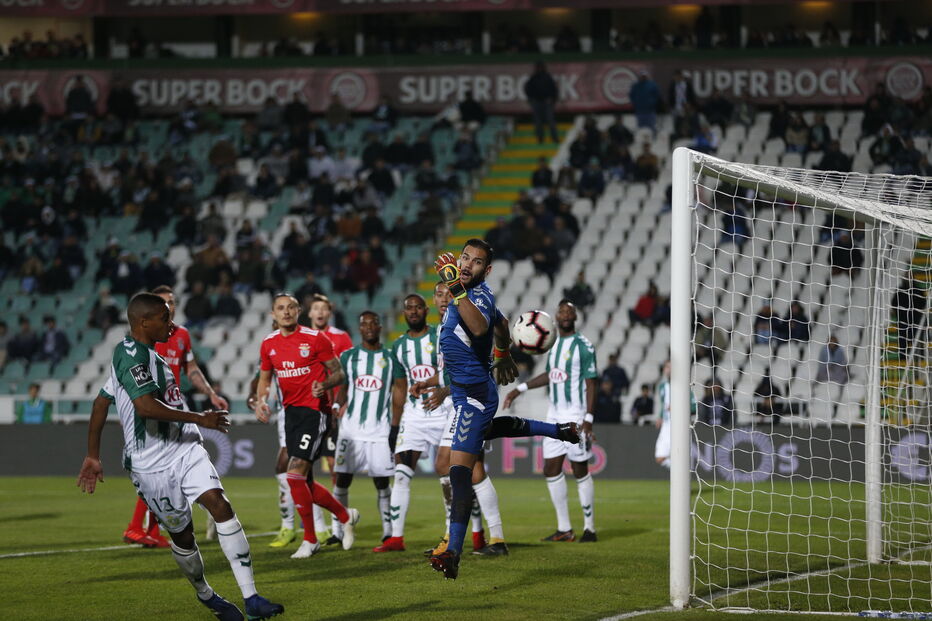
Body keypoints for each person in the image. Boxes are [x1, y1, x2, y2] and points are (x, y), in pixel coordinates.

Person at [77, 293, 284, 620]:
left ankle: (252, 597)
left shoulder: (152, 358)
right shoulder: (127, 353)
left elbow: (103, 400)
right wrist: (199, 418)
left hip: (184, 448)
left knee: (220, 504)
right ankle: (207, 595)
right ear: (144, 322)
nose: (170, 324)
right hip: (150, 464)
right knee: (183, 537)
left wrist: (93, 454)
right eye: (163, 317)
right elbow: (143, 407)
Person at [426, 240, 581, 580]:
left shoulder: (475, 295)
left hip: (475, 395)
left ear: (487, 270)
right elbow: (500, 324)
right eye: (465, 257)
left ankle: (453, 549)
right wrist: (503, 353)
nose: (467, 264)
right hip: (469, 393)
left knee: (459, 472)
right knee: (489, 435)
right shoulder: (466, 296)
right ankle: (559, 431)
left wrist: (454, 285)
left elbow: (480, 326)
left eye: (477, 262)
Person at [123, 285, 230, 548]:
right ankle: (138, 527)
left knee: (167, 470)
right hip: (151, 406)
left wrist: (211, 394)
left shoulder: (181, 334)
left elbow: (191, 368)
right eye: (163, 301)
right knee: (158, 469)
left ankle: (150, 528)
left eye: (172, 301)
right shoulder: (145, 335)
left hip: (175, 407)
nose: (169, 305)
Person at [253, 293, 359, 559]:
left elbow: (339, 372)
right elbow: (265, 378)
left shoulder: (315, 339)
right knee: (305, 482)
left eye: (291, 307)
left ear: (299, 311)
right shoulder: (268, 344)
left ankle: (310, 539)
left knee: (294, 474)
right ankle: (346, 516)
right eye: (280, 308)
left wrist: (325, 384)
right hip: (291, 415)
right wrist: (261, 401)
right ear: (272, 315)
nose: (286, 312)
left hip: (316, 412)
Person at [410, 282, 506, 558]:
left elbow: (475, 368)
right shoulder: (446, 324)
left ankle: (459, 536)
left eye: (448, 293)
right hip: (463, 400)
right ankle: (483, 537)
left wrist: (443, 390)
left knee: (451, 464)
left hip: (474, 400)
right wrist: (430, 383)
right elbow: (453, 370)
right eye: (439, 294)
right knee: (472, 468)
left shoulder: (466, 319)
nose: (444, 298)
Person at [503, 300, 598, 543]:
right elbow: (551, 375)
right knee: (551, 469)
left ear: (575, 315)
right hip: (554, 415)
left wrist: (588, 418)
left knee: (579, 469)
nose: (566, 314)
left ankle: (589, 528)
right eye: (562, 311)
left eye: (569, 311)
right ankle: (564, 528)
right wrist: (520, 388)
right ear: (555, 316)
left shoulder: (584, 346)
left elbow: (591, 383)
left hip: (575, 414)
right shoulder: (552, 345)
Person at [331, 312, 400, 547]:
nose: (369, 327)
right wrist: (337, 404)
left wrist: (397, 425)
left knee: (382, 482)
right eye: (364, 324)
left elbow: (399, 391)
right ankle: (337, 531)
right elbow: (344, 386)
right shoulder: (348, 357)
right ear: (359, 329)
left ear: (380, 327)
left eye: (373, 323)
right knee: (342, 480)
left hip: (379, 430)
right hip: (350, 430)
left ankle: (388, 531)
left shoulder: (391, 358)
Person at [301, 294, 354, 543]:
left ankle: (337, 528)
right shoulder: (302, 336)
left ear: (329, 312)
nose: (320, 312)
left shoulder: (341, 337)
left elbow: (348, 373)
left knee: (334, 467)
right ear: (309, 313)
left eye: (324, 308)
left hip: (331, 411)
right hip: (307, 409)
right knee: (303, 470)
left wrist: (341, 403)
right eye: (315, 308)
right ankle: (315, 526)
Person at [523, 61, 559, 144]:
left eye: (541, 67)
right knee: (538, 122)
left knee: (551, 121)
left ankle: (555, 138)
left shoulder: (548, 77)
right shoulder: (533, 78)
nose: (539, 69)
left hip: (547, 102)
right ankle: (540, 138)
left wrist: (552, 99)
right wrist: (531, 99)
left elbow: (554, 90)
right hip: (537, 102)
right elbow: (527, 89)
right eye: (538, 67)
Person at [654, 362, 672, 469]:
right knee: (659, 457)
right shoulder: (662, 387)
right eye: (666, 367)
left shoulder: (684, 386)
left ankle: (682, 476)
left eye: (670, 367)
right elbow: (664, 404)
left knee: (677, 455)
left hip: (677, 425)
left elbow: (693, 407)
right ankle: (682, 472)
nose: (667, 369)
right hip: (666, 423)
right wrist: (660, 416)